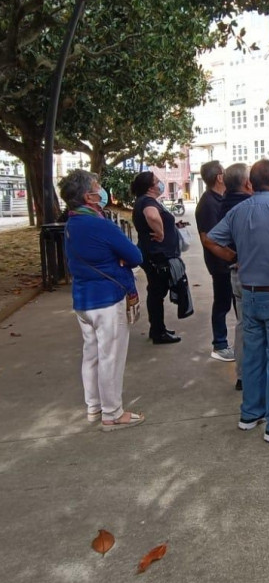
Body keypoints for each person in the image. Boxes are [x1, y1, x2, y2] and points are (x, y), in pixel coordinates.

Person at [205, 160, 269, 443]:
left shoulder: (239, 211)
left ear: (252, 182)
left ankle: (250, 413)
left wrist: (234, 258)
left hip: (249, 294)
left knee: (252, 356)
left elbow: (211, 239)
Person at [61, 169, 146, 431]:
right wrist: (118, 258)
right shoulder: (100, 224)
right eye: (97, 187)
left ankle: (94, 406)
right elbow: (135, 256)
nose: (102, 191)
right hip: (107, 300)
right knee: (111, 355)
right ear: (89, 196)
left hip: (83, 300)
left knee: (92, 355)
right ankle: (112, 413)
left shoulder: (72, 223)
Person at [131, 171, 183, 344]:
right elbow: (152, 216)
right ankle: (158, 332)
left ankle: (158, 328)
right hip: (155, 255)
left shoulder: (144, 201)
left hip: (152, 253)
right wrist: (160, 233)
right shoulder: (147, 201)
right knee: (156, 292)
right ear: (150, 186)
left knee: (156, 291)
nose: (160, 183)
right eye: (157, 181)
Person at [196, 160, 235, 362]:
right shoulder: (208, 204)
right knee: (222, 303)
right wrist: (232, 257)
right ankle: (219, 344)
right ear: (220, 177)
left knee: (230, 302)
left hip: (227, 263)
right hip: (221, 264)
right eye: (225, 171)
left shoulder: (221, 199)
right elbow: (208, 239)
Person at [220, 162, 254, 391]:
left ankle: (243, 375)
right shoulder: (248, 206)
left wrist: (232, 257)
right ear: (246, 183)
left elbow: (212, 240)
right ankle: (257, 377)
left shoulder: (222, 204)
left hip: (235, 272)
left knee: (243, 325)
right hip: (254, 275)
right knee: (262, 329)